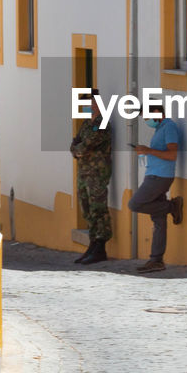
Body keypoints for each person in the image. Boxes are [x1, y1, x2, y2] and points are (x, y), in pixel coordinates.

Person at [128, 114, 183, 273]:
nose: (146, 121)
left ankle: (172, 206)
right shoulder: (160, 128)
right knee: (158, 220)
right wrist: (145, 151)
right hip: (154, 174)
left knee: (135, 204)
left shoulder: (169, 127)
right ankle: (156, 260)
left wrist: (149, 150)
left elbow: (172, 154)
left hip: (159, 176)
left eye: (146, 117)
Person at [70, 91, 113, 264]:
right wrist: (77, 148)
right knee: (86, 208)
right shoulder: (87, 123)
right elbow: (75, 144)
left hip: (97, 173)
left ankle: (100, 246)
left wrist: (77, 149)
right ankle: (92, 243)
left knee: (98, 208)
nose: (88, 107)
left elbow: (85, 145)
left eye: (91, 103)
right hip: (84, 172)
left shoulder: (102, 124)